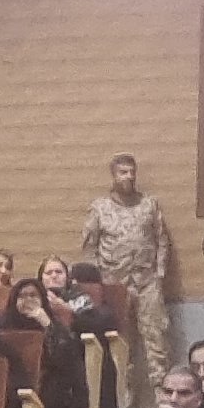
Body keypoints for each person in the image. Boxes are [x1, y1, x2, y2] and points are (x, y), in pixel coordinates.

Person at [75, 153, 178, 395]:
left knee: (157, 340)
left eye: (132, 172)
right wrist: (97, 285)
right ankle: (125, 398)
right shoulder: (99, 208)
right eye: (123, 172)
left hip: (147, 283)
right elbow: (90, 248)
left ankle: (162, 396)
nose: (129, 177)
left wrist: (159, 273)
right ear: (113, 175)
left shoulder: (149, 205)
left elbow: (162, 240)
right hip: (114, 285)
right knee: (120, 342)